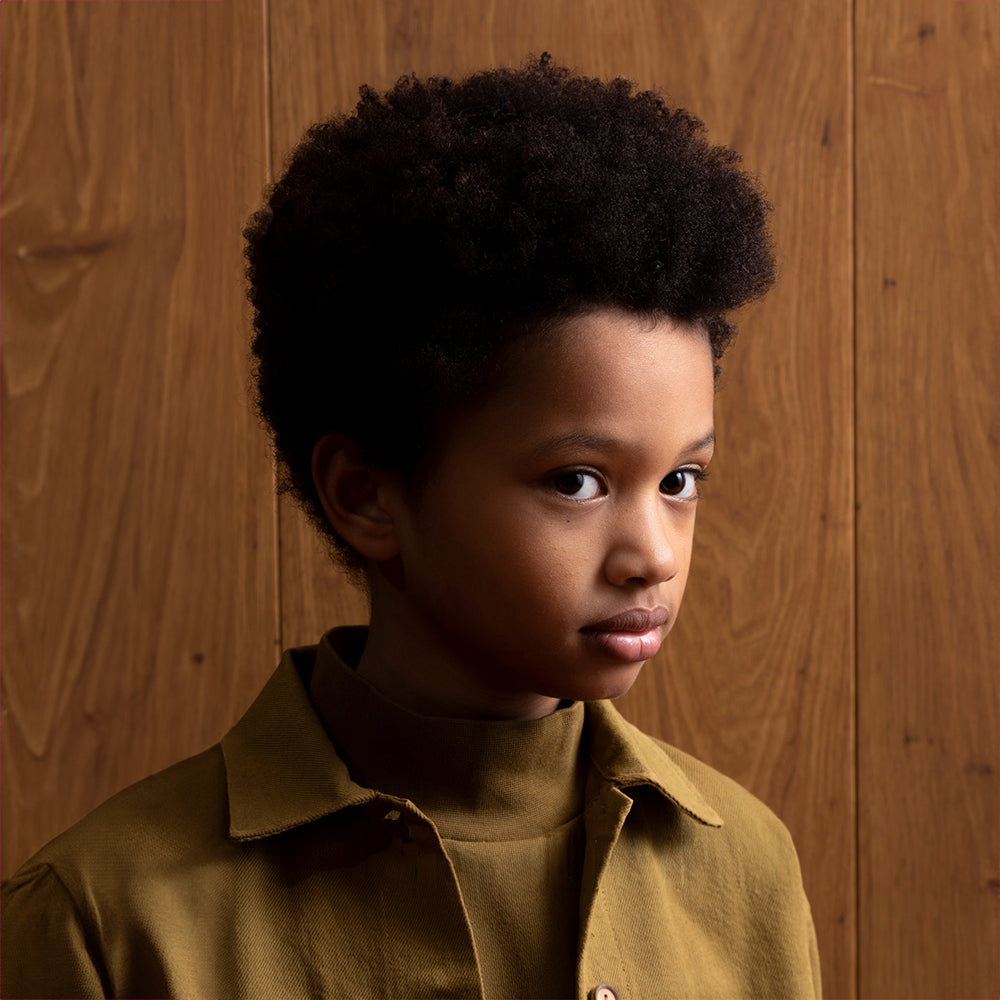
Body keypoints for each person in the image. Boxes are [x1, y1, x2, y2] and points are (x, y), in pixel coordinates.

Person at [1, 54, 821, 999]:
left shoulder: (746, 867)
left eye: (681, 479)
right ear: (367, 495)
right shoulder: (104, 918)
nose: (654, 556)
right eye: (578, 481)